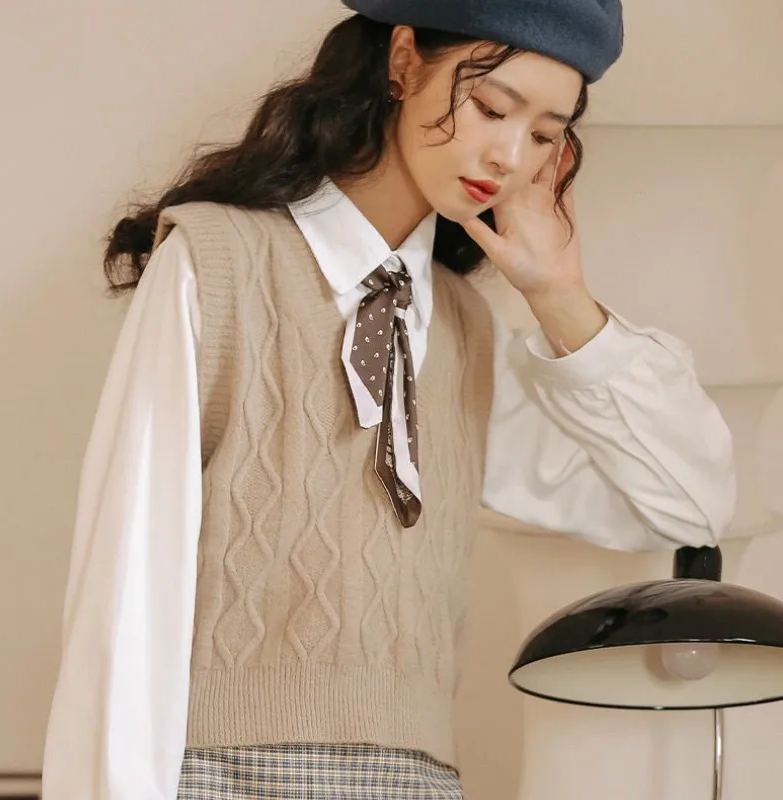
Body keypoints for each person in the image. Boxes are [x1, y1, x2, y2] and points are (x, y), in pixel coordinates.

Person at [42, 0, 737, 797]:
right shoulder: (217, 265)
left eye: (545, 135)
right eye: (491, 107)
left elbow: (689, 504)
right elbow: (124, 596)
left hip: (417, 779)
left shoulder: (466, 332)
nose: (509, 155)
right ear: (403, 61)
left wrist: (561, 298)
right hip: (218, 775)